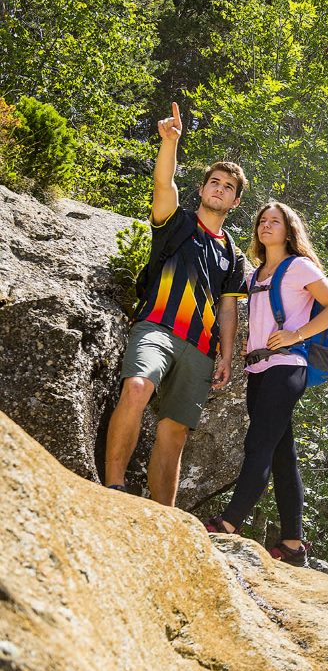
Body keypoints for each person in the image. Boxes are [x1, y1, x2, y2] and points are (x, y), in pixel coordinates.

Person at [104, 102, 248, 506]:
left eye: (228, 187)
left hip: (200, 349)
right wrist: (170, 142)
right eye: (214, 182)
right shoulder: (178, 222)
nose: (219, 189)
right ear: (202, 189)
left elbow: (228, 309)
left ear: (235, 202)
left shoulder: (233, 256)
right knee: (136, 387)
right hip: (156, 327)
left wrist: (225, 355)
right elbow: (163, 185)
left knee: (176, 430)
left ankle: (164, 515)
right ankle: (113, 488)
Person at [205, 200, 328, 566]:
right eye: (262, 221)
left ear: (289, 230)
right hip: (258, 370)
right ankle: (293, 545)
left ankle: (229, 523)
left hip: (287, 367)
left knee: (259, 444)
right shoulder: (254, 276)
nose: (266, 226)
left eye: (275, 221)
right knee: (283, 455)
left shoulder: (299, 266)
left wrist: (295, 333)